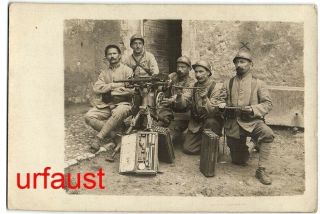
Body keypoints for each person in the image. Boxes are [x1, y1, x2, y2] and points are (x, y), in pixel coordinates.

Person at [219, 47, 274, 185]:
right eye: (237, 62)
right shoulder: (228, 82)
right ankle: (252, 144)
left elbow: (268, 104)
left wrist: (253, 109)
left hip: (252, 122)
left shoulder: (259, 83)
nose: (239, 65)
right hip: (234, 124)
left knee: (267, 134)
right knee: (239, 160)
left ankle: (261, 170)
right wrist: (221, 104)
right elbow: (221, 99)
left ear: (251, 64)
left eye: (243, 62)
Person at [84, 44, 134, 153]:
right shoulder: (104, 73)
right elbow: (97, 88)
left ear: (119, 56)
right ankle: (115, 136)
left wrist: (109, 89)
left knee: (117, 112)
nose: (112, 56)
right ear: (106, 57)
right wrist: (113, 86)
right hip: (106, 104)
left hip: (123, 104)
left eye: (114, 53)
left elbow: (132, 90)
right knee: (88, 116)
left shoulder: (128, 71)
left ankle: (99, 138)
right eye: (109, 54)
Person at [174, 60, 225, 154]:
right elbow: (182, 105)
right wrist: (179, 95)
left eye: (201, 71)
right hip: (196, 122)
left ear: (208, 72)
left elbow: (212, 112)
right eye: (196, 72)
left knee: (211, 121)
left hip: (211, 121)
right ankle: (207, 145)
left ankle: (212, 146)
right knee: (188, 149)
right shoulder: (193, 86)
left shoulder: (216, 87)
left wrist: (205, 98)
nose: (198, 75)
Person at [158, 56, 196, 143]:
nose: (179, 69)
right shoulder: (173, 76)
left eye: (183, 67)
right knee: (154, 129)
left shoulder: (192, 83)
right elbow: (161, 86)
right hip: (169, 111)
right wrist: (163, 86)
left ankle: (175, 133)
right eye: (178, 66)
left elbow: (184, 101)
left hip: (182, 115)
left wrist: (173, 99)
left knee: (167, 139)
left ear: (189, 68)